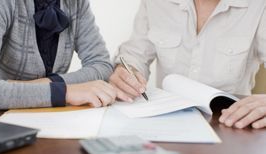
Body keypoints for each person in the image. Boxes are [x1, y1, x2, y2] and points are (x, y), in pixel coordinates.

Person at [109, 0, 266, 129]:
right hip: (166, 123)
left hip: (230, 125)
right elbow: (135, 53)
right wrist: (126, 72)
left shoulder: (259, 5)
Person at [0, 0, 116, 110]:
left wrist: (48, 84)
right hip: (0, 120)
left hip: (50, 117)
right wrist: (63, 92)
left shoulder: (77, 3)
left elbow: (102, 66)